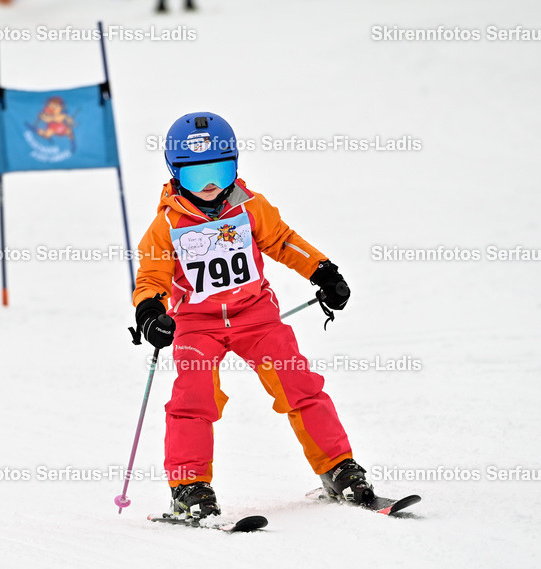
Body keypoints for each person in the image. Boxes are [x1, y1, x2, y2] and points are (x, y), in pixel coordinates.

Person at [132, 112, 373, 519]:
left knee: (299, 384)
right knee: (194, 398)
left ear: (236, 166)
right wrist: (151, 311)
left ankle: (338, 467)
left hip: (256, 317)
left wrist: (322, 271)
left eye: (220, 170)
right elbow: (152, 274)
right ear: (175, 174)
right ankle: (189, 487)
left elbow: (283, 241)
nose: (210, 185)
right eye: (196, 176)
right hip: (196, 325)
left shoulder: (251, 209)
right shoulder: (166, 225)